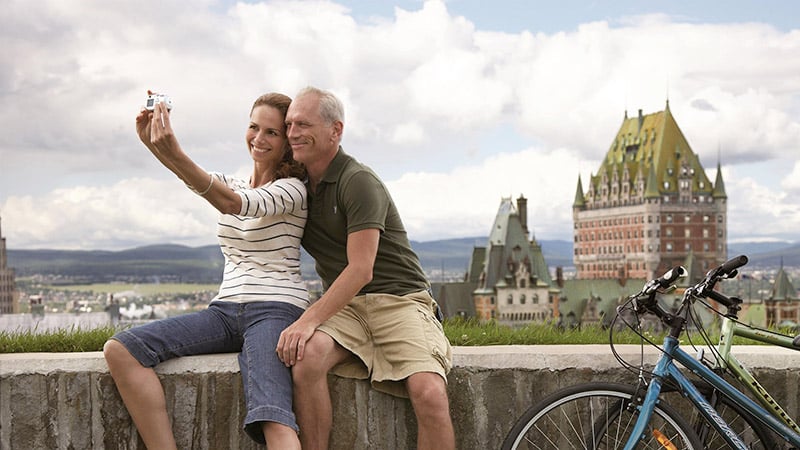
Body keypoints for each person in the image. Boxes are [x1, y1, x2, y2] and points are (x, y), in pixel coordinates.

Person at [103, 91, 308, 449]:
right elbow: (198, 180)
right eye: (253, 127)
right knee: (123, 350)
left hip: (275, 308)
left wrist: (172, 149)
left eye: (271, 133)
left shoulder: (293, 190)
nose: (258, 139)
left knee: (271, 414)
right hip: (225, 310)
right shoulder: (237, 182)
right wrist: (155, 144)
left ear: (287, 142)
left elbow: (231, 204)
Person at [276, 86, 455, 450]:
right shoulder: (296, 187)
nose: (292, 132)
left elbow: (361, 269)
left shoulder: (357, 180)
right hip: (349, 308)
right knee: (306, 359)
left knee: (429, 390)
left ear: (335, 130)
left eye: (304, 123)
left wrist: (308, 319)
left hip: (399, 301)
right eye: (290, 123)